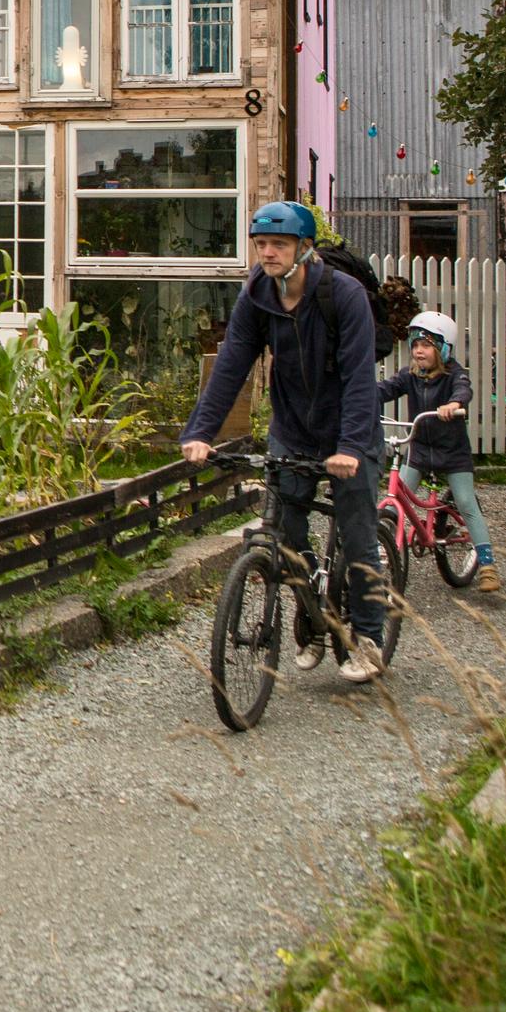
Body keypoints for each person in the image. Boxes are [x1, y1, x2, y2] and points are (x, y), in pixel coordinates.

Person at [178, 201, 390, 682]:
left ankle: (369, 638)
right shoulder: (257, 295)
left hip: (349, 432)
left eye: (278, 244)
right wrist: (200, 432)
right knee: (285, 532)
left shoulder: (345, 295)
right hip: (292, 429)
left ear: (304, 247)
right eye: (260, 244)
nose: (267, 253)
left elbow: (360, 379)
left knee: (358, 535)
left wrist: (352, 448)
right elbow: (232, 364)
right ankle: (315, 618)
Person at [381, 313, 497, 592]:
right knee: (394, 498)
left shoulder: (455, 374)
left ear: (443, 349)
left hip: (453, 453)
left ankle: (487, 564)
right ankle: (382, 549)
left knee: (467, 504)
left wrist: (454, 403)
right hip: (420, 450)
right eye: (415, 345)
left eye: (427, 345)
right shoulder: (409, 376)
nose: (419, 351)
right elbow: (386, 389)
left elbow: (463, 389)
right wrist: (359, 397)